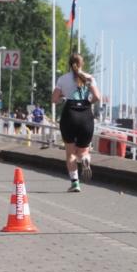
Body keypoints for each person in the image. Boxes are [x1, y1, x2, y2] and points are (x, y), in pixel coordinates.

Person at [52, 52, 102, 192]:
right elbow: (97, 96)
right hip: (86, 114)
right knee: (83, 151)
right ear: (82, 64)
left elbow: (54, 99)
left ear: (70, 64)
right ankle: (85, 158)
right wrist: (88, 102)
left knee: (70, 153)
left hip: (70, 114)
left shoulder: (63, 79)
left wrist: (63, 98)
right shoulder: (90, 78)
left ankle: (75, 183)